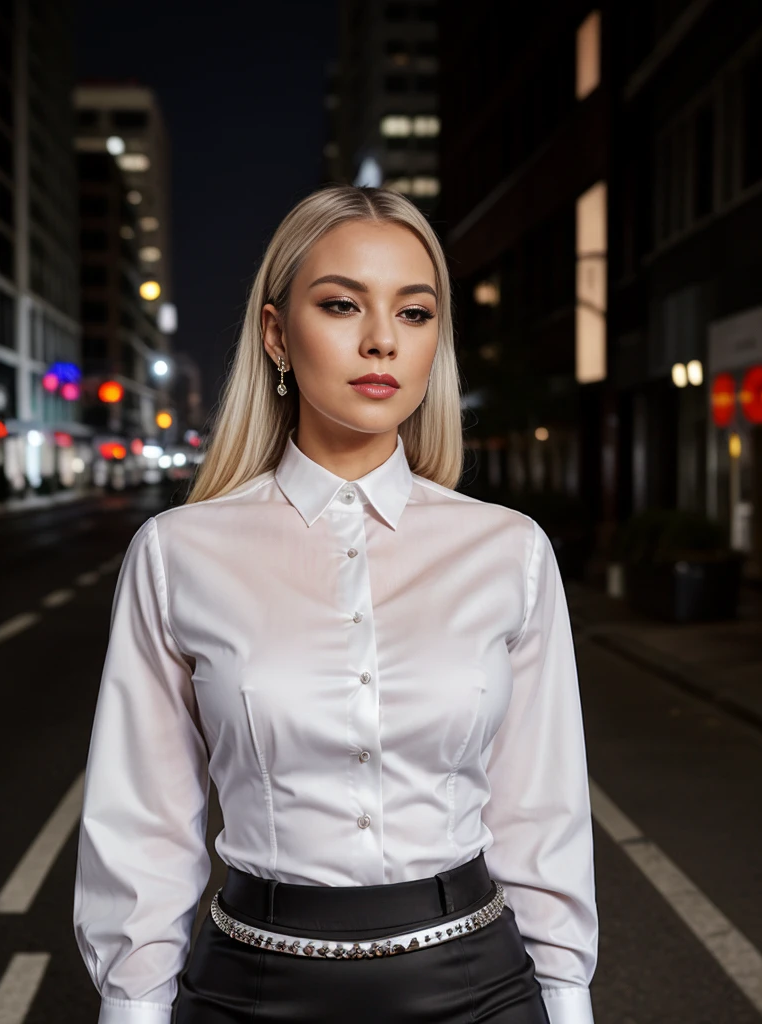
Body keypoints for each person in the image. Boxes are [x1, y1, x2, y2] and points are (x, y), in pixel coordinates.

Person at [73, 183, 598, 1024]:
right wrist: (133, 1005)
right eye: (342, 304)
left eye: (415, 312)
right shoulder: (178, 553)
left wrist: (569, 999)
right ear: (278, 333)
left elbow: (543, 809)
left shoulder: (510, 550)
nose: (382, 339)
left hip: (481, 989)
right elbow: (142, 822)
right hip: (250, 988)